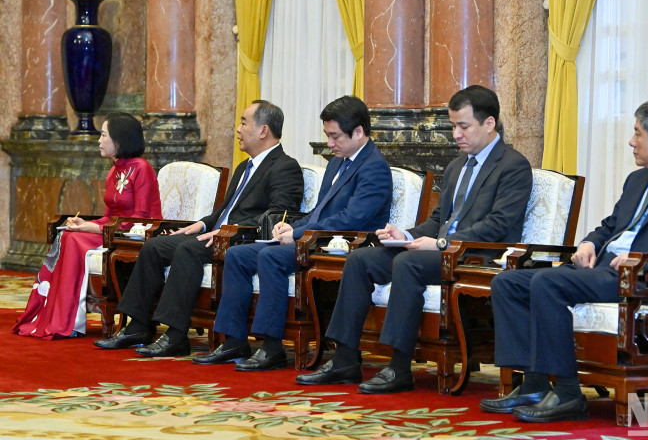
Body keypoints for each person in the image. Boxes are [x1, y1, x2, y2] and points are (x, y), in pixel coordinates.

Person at [479, 97, 648, 423]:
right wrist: (588, 243)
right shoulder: (637, 180)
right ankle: (533, 384)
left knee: (547, 281)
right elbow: (610, 226)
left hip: (640, 277)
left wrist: (642, 259)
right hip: (601, 268)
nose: (631, 141)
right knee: (508, 282)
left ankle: (568, 393)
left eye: (638, 133)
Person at [295, 85, 533, 394]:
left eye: (464, 126)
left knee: (408, 262)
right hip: (437, 251)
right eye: (453, 126)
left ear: (489, 124)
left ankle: (398, 367)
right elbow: (438, 220)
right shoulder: (457, 165)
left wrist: (440, 244)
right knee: (361, 259)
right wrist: (405, 234)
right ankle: (344, 359)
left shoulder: (513, 166)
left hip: (476, 254)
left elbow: (499, 226)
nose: (456, 134)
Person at [191, 95, 393, 369]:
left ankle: (271, 347)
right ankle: (234, 341)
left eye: (335, 137)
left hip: (343, 247)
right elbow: (320, 211)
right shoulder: (336, 162)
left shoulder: (374, 167)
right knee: (238, 255)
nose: (329, 144)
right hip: (315, 239)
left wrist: (299, 235)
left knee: (270, 258)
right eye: (327, 135)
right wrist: (293, 227)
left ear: (358, 132)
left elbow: (353, 218)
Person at [94, 100, 304, 355]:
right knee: (154, 247)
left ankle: (175, 335)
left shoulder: (285, 166)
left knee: (188, 250)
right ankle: (138, 326)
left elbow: (277, 215)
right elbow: (226, 209)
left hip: (240, 239)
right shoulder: (244, 167)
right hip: (215, 233)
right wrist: (203, 223)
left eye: (244, 122)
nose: (238, 129)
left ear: (263, 130)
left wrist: (230, 230)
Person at [13, 112, 162, 339]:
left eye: (103, 135)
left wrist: (94, 229)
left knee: (72, 239)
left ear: (120, 139)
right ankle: (56, 316)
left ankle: (68, 320)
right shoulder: (114, 170)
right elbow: (109, 216)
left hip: (137, 235)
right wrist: (87, 223)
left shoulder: (141, 168)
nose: (99, 141)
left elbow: (140, 218)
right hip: (113, 232)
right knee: (66, 235)